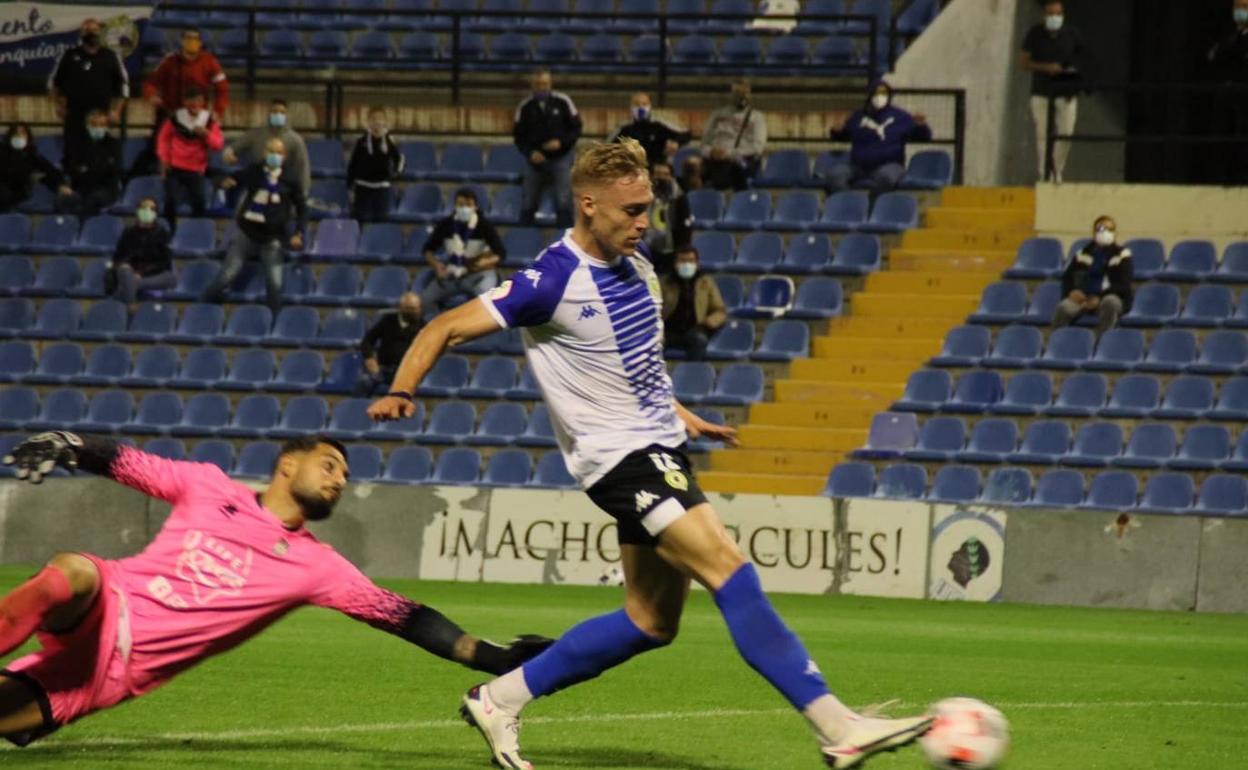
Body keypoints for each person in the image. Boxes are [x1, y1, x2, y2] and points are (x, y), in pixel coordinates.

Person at [366, 139, 932, 770]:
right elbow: (442, 326)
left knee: (651, 620)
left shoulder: (638, 269)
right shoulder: (551, 279)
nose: (644, 222)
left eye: (649, 209)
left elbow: (638, 369)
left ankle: (499, 697)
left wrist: (683, 417)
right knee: (726, 564)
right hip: (621, 463)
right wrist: (400, 389)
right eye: (631, 209)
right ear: (588, 205)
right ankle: (836, 726)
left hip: (658, 448)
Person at [0, 432, 553, 747]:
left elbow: (405, 616)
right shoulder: (208, 486)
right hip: (108, 599)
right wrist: (70, 445)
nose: (340, 479)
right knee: (72, 571)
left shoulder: (318, 567)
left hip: (106, 676)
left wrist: (495, 658)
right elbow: (128, 463)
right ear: (288, 464)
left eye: (345, 476)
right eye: (330, 465)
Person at [201, 137, 306, 313]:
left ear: (284, 156)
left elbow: (302, 208)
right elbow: (230, 179)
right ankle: (200, 309)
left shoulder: (290, 178)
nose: (274, 155)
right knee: (226, 276)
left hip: (273, 237)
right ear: (265, 154)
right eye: (271, 151)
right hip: (247, 233)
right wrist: (224, 182)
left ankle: (275, 323)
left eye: (278, 152)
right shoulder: (254, 172)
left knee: (274, 283)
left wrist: (298, 232)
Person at [136, 29, 229, 177]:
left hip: (198, 116)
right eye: (188, 38)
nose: (191, 42)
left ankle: (200, 176)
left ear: (200, 43)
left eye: (195, 39)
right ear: (182, 41)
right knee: (158, 146)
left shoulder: (210, 62)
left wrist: (218, 111)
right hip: (170, 114)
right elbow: (150, 83)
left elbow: (222, 88)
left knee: (201, 148)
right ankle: (162, 176)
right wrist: (152, 96)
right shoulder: (170, 61)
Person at [1020, 0, 1088, 183]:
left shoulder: (1072, 34)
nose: (1054, 18)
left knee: (1066, 132)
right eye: (1051, 14)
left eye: (1058, 14)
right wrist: (1046, 67)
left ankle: (1057, 170)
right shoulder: (1034, 34)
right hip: (1041, 91)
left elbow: (1083, 59)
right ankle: (1045, 173)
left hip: (1066, 91)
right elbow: (1024, 62)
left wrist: (1071, 69)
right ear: (1044, 16)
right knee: (1042, 135)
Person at [47, 18, 129, 166]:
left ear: (101, 33)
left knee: (100, 158)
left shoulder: (111, 56)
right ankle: (71, 184)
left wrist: (116, 111)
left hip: (101, 118)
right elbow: (53, 83)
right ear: (81, 34)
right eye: (87, 31)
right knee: (73, 156)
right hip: (75, 116)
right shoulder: (69, 56)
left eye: (95, 31)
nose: (91, 34)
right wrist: (58, 105)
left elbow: (123, 87)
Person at [827, 81, 931, 195]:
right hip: (858, 166)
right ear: (869, 95)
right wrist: (836, 131)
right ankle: (849, 205)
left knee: (885, 178)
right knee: (835, 175)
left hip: (890, 165)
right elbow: (844, 135)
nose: (879, 97)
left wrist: (921, 126)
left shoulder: (901, 116)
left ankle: (874, 208)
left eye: (883, 93)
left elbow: (923, 137)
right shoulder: (858, 116)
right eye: (875, 93)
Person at [513, 69, 582, 228]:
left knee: (563, 200)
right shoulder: (525, 107)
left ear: (550, 84)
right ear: (532, 85)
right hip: (535, 160)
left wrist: (561, 143)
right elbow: (518, 137)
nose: (541, 87)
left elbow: (576, 128)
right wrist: (530, 152)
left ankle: (565, 238)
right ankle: (524, 239)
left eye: (544, 84)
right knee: (528, 200)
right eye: (538, 84)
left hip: (561, 158)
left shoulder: (563, 101)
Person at [420, 188, 504, 318]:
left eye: (468, 205)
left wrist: (485, 263)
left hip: (480, 274)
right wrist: (437, 266)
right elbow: (427, 250)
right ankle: (440, 328)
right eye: (461, 205)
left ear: (475, 206)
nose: (464, 208)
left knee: (486, 302)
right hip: (453, 273)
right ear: (455, 206)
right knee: (426, 300)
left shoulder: (484, 225)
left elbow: (501, 254)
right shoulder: (445, 225)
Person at [1053, 215, 1133, 335]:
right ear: (1094, 232)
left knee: (1110, 302)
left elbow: (1124, 285)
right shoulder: (1082, 253)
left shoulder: (1122, 254)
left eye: (1109, 229)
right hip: (1083, 299)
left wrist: (1099, 297)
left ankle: (1102, 345)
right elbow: (1067, 277)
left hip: (1108, 297)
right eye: (1101, 229)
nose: (1105, 233)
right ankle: (1057, 344)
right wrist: (1071, 292)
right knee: (1063, 307)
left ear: (1115, 233)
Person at [155, 88, 224, 229]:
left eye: (198, 100)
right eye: (191, 100)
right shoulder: (175, 119)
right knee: (170, 201)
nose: (194, 104)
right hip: (173, 167)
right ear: (185, 102)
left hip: (195, 169)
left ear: (203, 102)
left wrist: (206, 134)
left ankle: (196, 230)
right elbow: (163, 140)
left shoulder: (209, 122)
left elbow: (218, 145)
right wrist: (164, 159)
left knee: (199, 201)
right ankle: (169, 231)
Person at [223, 99, 311, 197]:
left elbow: (302, 169)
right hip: (257, 182)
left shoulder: (295, 140)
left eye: (282, 112)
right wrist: (228, 154)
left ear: (287, 115)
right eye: (275, 111)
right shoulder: (256, 134)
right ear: (269, 113)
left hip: (284, 187)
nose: (278, 115)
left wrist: (303, 193)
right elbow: (232, 148)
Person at [107, 197, 176, 311]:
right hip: (129, 273)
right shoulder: (128, 233)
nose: (148, 211)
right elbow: (118, 257)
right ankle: (131, 305)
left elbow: (165, 263)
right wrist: (127, 266)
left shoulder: (162, 233)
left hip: (156, 275)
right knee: (124, 271)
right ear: (138, 211)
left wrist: (141, 273)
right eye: (144, 207)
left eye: (152, 208)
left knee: (128, 283)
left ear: (156, 213)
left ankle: (116, 304)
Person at [661, 245, 726, 361]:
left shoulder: (706, 282)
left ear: (697, 263)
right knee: (654, 343)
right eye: (682, 261)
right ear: (675, 263)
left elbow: (720, 310)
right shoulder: (665, 283)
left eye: (690, 261)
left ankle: (692, 375)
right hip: (669, 331)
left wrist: (708, 323)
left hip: (695, 330)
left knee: (699, 340)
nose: (686, 264)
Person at [1207, 0, 1248, 184]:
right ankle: (1222, 178)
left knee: (1242, 137)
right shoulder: (1228, 35)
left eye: (1245, 8)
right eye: (1237, 8)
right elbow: (1213, 56)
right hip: (1226, 91)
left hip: (1244, 95)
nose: (1240, 12)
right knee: (1222, 135)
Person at [700, 79, 767, 191]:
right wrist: (711, 152)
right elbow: (704, 143)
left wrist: (728, 153)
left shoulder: (757, 117)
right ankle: (694, 202)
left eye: (744, 93)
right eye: (737, 93)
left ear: (749, 95)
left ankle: (737, 201)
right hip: (715, 158)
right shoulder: (717, 114)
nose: (741, 97)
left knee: (735, 167)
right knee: (692, 165)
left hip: (741, 159)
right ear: (731, 94)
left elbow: (757, 147)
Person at [357, 293, 425, 396]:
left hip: (408, 372)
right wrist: (369, 358)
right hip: (383, 369)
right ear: (401, 308)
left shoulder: (424, 326)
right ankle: (357, 409)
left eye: (416, 309)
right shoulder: (387, 321)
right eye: (409, 309)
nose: (414, 312)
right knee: (364, 382)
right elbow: (368, 341)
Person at [60, 110, 124, 217]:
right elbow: (72, 167)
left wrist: (87, 169)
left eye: (102, 125)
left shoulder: (113, 144)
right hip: (82, 187)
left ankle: (84, 230)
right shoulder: (79, 144)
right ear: (87, 125)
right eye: (94, 124)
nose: (98, 128)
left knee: (93, 199)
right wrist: (65, 185)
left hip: (107, 189)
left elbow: (115, 170)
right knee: (63, 199)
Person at [347, 107, 404, 223]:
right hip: (362, 187)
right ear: (368, 122)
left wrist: (394, 175)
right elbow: (353, 163)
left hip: (382, 188)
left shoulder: (389, 141)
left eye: (380, 119)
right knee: (359, 220)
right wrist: (350, 185)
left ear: (385, 122)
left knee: (382, 221)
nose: (377, 122)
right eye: (373, 119)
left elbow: (399, 159)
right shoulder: (361, 141)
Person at [606, 92, 691, 169]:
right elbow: (606, 147)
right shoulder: (624, 129)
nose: (641, 108)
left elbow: (686, 134)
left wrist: (676, 143)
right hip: (632, 170)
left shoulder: (659, 125)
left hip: (658, 169)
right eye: (637, 104)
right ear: (631, 107)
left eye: (644, 104)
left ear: (650, 106)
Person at [0, 124, 73, 213]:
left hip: (17, 192)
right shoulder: (2, 151)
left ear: (28, 137)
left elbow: (51, 170)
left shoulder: (31, 155)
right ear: (10, 136)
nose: (18, 136)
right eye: (15, 133)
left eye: (22, 133)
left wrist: (62, 185)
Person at [645, 161, 692, 275]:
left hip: (671, 248)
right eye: (658, 174)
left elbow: (685, 225)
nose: (661, 177)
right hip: (647, 247)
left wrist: (682, 250)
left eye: (665, 174)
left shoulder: (679, 197)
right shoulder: (643, 195)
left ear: (671, 177)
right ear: (651, 176)